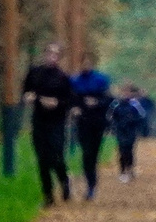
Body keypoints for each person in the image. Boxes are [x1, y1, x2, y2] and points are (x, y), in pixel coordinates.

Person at [22, 43, 77, 206]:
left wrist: (57, 103)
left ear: (59, 57)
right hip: (39, 120)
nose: (51, 57)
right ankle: (48, 195)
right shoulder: (34, 73)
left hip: (57, 121)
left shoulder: (63, 77)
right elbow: (26, 92)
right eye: (49, 53)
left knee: (56, 155)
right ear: (44, 54)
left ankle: (64, 180)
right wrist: (29, 97)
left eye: (55, 54)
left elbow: (70, 100)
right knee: (42, 159)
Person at [71, 63, 114, 199]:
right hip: (82, 123)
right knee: (86, 152)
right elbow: (70, 99)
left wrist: (97, 103)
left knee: (93, 154)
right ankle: (90, 184)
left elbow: (109, 100)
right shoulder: (75, 81)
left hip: (98, 122)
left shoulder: (101, 80)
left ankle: (92, 184)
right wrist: (75, 108)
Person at [110, 83, 151, 183]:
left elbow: (142, 116)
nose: (126, 94)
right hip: (120, 130)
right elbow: (111, 116)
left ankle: (130, 168)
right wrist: (113, 127)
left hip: (131, 130)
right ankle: (122, 170)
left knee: (129, 150)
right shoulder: (116, 103)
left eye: (128, 92)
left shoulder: (135, 104)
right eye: (124, 91)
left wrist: (139, 127)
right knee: (122, 150)